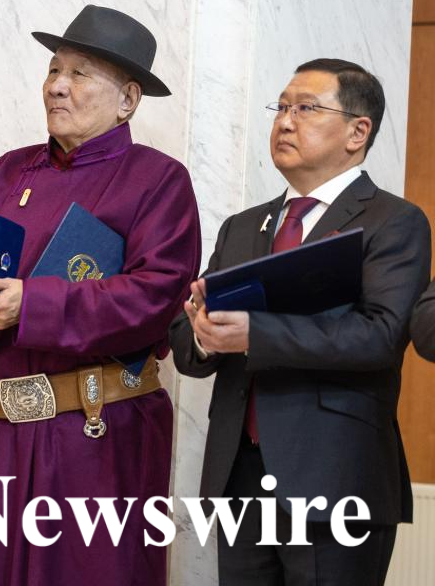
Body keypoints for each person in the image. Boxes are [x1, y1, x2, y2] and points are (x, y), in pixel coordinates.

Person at [0, 5, 201, 585]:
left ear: (128, 99)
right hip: (1, 431)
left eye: (79, 74)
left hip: (99, 433)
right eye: (53, 69)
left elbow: (155, 297)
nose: (56, 85)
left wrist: (31, 306)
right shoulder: (9, 172)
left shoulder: (157, 179)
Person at [169, 59, 429, 586]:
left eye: (306, 108)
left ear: (358, 132)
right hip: (240, 479)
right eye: (281, 108)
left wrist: (255, 334)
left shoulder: (392, 221)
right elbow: (186, 340)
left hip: (336, 477)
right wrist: (204, 335)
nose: (285, 122)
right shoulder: (244, 226)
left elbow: (379, 335)